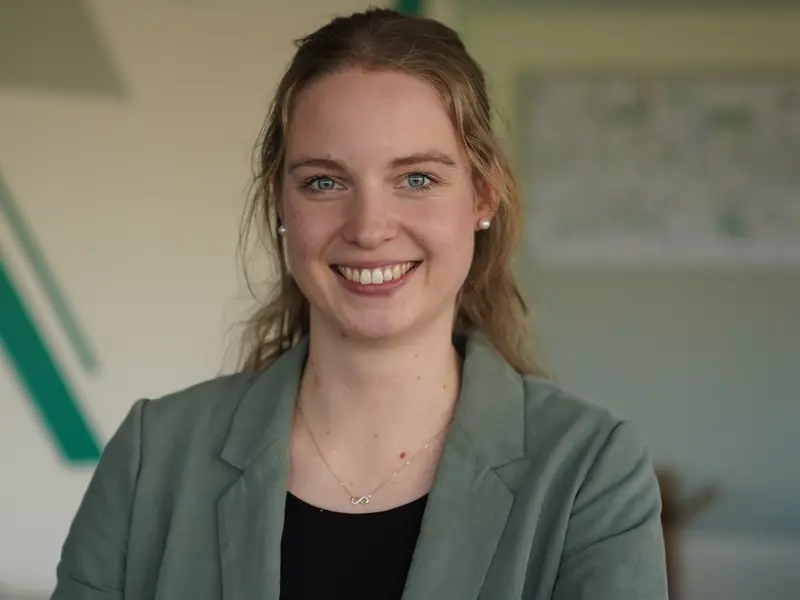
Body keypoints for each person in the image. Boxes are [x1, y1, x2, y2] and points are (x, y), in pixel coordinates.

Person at [52, 8, 667, 600]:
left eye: (417, 179)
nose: (369, 228)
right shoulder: (151, 457)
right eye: (324, 182)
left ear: (482, 198)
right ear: (281, 204)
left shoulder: (590, 469)